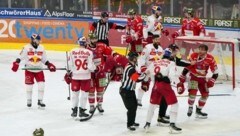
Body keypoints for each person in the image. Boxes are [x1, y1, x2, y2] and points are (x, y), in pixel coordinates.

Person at [11, 34, 56, 108]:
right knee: (29, 87)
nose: (39, 41)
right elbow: (19, 57)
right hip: (29, 69)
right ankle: (29, 100)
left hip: (39, 69)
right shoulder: (26, 48)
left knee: (41, 85)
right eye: (38, 40)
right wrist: (16, 63)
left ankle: (40, 101)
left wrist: (49, 65)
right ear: (34, 40)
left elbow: (44, 59)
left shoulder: (42, 48)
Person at [144, 49, 182, 133]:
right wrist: (179, 84)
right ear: (170, 56)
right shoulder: (171, 63)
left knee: (152, 105)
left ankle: (147, 124)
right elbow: (173, 75)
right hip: (165, 85)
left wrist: (146, 82)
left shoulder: (154, 62)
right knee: (174, 104)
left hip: (156, 85)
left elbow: (147, 72)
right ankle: (172, 125)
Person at [157, 44, 196, 125]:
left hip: (166, 81)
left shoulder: (171, 57)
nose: (176, 53)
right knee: (162, 100)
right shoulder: (165, 56)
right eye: (175, 51)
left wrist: (189, 63)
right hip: (162, 81)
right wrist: (177, 82)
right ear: (172, 50)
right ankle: (160, 117)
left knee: (163, 100)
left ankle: (161, 115)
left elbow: (179, 62)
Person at [177, 44, 218, 119]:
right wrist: (182, 76)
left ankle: (199, 110)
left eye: (203, 50)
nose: (200, 51)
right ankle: (190, 107)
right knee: (192, 93)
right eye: (199, 49)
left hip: (203, 78)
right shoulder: (193, 55)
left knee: (205, 95)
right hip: (193, 77)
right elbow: (187, 66)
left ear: (206, 51)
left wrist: (212, 80)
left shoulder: (210, 58)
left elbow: (216, 72)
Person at [64, 36, 96, 118]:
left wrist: (68, 72)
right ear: (86, 43)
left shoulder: (72, 51)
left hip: (75, 76)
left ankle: (74, 111)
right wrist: (95, 68)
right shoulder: (89, 52)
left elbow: (69, 65)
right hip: (86, 77)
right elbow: (90, 66)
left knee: (75, 94)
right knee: (84, 94)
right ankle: (82, 110)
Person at [119, 52, 148, 131]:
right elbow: (137, 79)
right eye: (136, 57)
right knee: (131, 108)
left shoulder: (133, 66)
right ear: (133, 58)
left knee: (134, 106)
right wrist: (145, 74)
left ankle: (132, 121)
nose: (137, 59)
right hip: (125, 91)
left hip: (130, 90)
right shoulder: (130, 68)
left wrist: (143, 73)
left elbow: (138, 74)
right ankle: (129, 124)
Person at [86, 33, 114, 114]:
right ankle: (91, 106)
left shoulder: (102, 46)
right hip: (90, 73)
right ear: (90, 39)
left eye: (96, 38)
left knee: (100, 89)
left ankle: (99, 104)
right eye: (93, 39)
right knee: (91, 90)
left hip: (101, 72)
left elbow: (111, 52)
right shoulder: (86, 48)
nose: (95, 40)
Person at [136, 34, 164, 106]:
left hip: (156, 71)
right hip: (148, 70)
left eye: (158, 39)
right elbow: (142, 58)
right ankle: (139, 99)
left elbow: (161, 60)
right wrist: (143, 67)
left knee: (157, 87)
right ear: (153, 40)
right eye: (155, 39)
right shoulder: (147, 47)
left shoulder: (161, 49)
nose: (157, 41)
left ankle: (156, 101)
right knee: (145, 86)